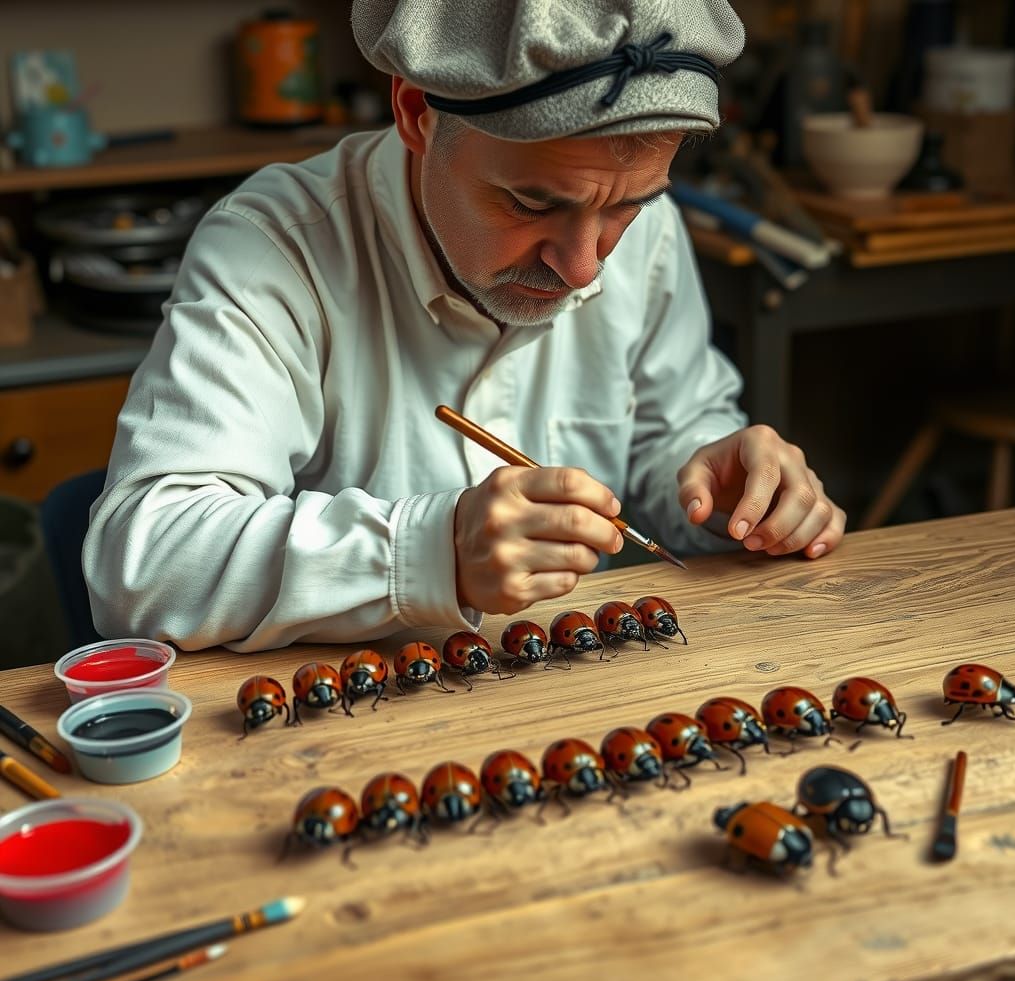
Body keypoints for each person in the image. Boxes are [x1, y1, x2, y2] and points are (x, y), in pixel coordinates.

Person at [83, 0, 846, 652]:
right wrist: (428, 553)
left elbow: (663, 439)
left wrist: (717, 482)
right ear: (416, 113)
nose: (584, 267)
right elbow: (144, 562)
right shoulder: (275, 247)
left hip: (591, 689)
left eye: (625, 207)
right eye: (532, 204)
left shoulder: (649, 229)